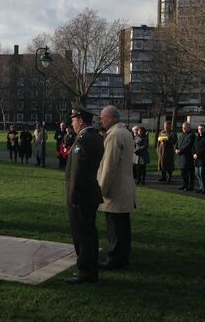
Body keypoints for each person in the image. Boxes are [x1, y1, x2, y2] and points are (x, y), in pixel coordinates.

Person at [64, 104, 104, 285]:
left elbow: (78, 172)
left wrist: (73, 197)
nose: (71, 123)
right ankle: (90, 269)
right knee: (89, 234)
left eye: (73, 119)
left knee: (82, 236)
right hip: (89, 193)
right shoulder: (93, 136)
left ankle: (85, 271)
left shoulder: (83, 140)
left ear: (80, 120)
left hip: (81, 196)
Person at [97, 106, 136, 270]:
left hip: (116, 190)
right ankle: (122, 257)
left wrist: (100, 191)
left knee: (115, 228)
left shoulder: (114, 136)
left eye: (103, 118)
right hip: (126, 187)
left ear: (111, 118)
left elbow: (109, 167)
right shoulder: (125, 133)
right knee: (122, 227)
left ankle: (115, 259)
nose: (101, 121)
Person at [175, 122, 196, 191]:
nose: (183, 128)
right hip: (180, 156)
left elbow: (188, 145)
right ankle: (185, 184)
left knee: (189, 172)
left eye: (185, 127)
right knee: (183, 171)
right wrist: (176, 149)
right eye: (183, 127)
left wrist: (180, 150)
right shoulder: (181, 135)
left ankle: (190, 185)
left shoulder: (192, 135)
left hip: (188, 156)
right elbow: (177, 143)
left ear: (189, 127)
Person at [192, 123, 205, 194]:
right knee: (197, 173)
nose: (200, 130)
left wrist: (198, 154)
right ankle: (201, 187)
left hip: (203, 159)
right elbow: (193, 146)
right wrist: (194, 153)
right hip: (196, 159)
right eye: (199, 129)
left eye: (202, 129)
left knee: (202, 174)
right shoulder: (197, 137)